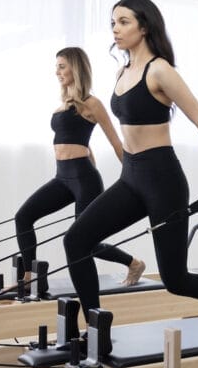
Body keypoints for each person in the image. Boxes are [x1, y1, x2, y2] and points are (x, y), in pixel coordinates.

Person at [63, 0, 198, 337]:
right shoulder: (122, 71)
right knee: (76, 240)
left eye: (124, 21)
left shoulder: (160, 70)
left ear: (144, 26)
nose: (116, 29)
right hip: (131, 178)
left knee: (175, 279)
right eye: (113, 22)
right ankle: (95, 329)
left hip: (162, 180)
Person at [14, 47, 145, 291]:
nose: (57, 72)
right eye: (57, 67)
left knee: (84, 241)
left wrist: (135, 178)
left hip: (84, 179)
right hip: (62, 178)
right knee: (23, 217)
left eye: (62, 66)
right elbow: (81, 142)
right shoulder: (64, 104)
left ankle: (133, 263)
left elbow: (117, 143)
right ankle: (30, 276)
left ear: (76, 68)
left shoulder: (91, 103)